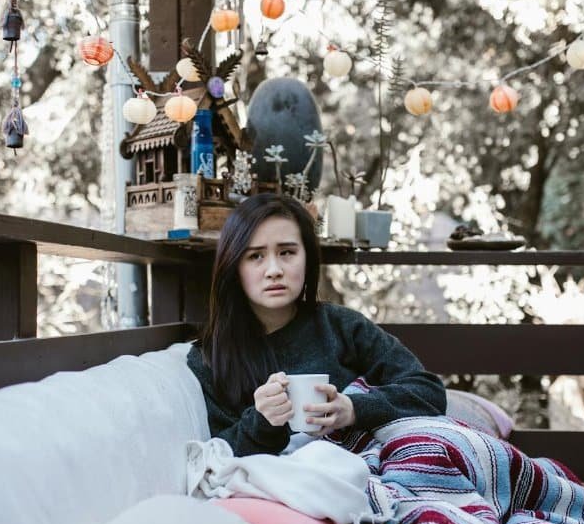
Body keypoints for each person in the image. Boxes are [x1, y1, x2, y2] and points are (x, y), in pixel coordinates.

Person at [187, 194, 447, 457]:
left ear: (307, 258)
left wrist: (353, 409)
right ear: (234, 265)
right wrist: (262, 421)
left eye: (287, 252)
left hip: (360, 467)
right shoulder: (209, 358)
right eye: (255, 256)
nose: (274, 270)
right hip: (276, 477)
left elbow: (428, 390)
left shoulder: (341, 326)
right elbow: (218, 454)